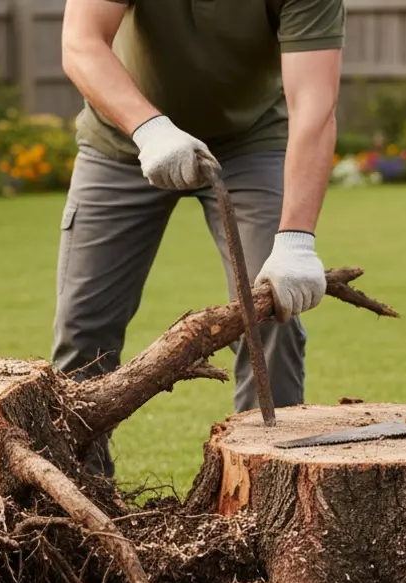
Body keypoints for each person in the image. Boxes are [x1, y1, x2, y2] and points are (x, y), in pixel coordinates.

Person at [53, 0, 345, 476]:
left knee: (273, 312)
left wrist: (295, 239)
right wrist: (150, 129)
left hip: (249, 141)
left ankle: (265, 490)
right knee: (83, 330)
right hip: (121, 143)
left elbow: (314, 104)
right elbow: (80, 43)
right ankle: (78, 493)